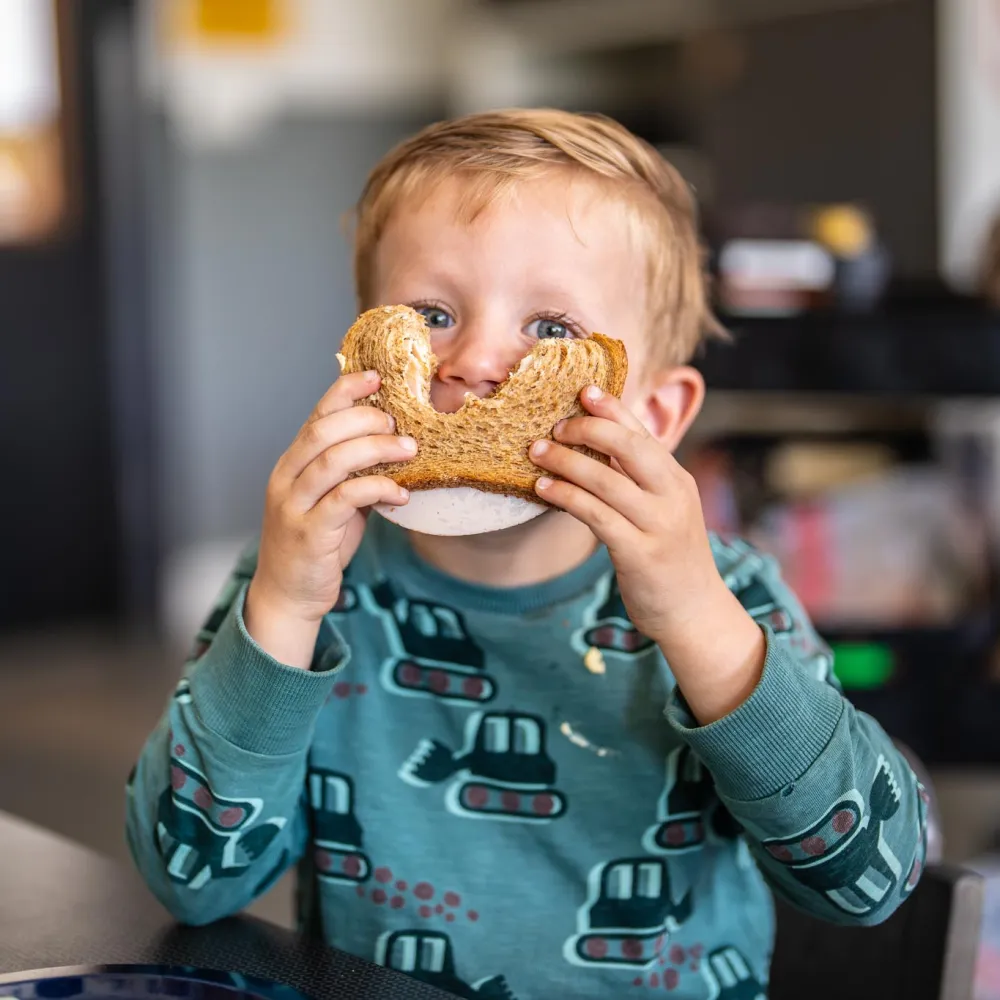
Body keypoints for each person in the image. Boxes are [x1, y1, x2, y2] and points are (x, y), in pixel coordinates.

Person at [127, 109, 928, 999]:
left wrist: (698, 621)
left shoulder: (728, 597)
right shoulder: (303, 584)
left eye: (549, 329)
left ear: (656, 415)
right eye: (431, 315)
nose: (474, 361)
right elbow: (189, 881)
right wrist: (283, 606)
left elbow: (873, 880)